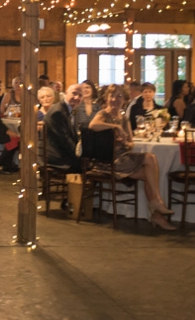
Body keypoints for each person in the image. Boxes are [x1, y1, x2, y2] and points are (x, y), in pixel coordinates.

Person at [89, 84, 175, 230]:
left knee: (150, 161)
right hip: (107, 161)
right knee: (149, 166)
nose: (115, 99)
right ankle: (157, 205)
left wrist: (125, 142)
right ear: (107, 98)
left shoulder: (124, 118)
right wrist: (115, 127)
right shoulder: (104, 114)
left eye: (119, 96)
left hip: (123, 158)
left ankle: (156, 208)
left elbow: (130, 144)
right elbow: (93, 125)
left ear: (124, 100)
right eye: (112, 96)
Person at [44, 84, 83, 172]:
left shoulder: (70, 110)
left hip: (64, 153)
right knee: (89, 168)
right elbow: (64, 140)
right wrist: (79, 155)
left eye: (80, 95)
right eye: (74, 93)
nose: (77, 97)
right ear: (66, 93)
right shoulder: (58, 112)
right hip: (57, 156)